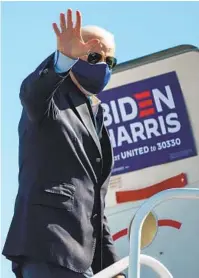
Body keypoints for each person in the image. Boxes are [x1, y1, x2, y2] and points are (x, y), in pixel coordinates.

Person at [2, 8, 125, 278]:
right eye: (94, 56)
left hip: (84, 263)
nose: (103, 65)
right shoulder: (50, 98)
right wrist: (62, 60)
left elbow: (96, 208)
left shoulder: (96, 114)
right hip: (49, 247)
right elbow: (32, 92)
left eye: (110, 60)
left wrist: (114, 268)